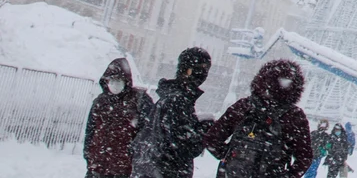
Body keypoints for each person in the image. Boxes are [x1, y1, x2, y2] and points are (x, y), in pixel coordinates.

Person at [205, 59, 314, 178]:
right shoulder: (294, 116)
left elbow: (212, 139)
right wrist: (288, 175)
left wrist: (229, 155)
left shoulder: (243, 106)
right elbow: (304, 157)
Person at [132, 47, 213, 178]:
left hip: (153, 171)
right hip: (166, 172)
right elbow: (186, 147)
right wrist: (205, 128)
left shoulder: (169, 97)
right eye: (200, 68)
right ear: (187, 70)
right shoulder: (179, 101)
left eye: (206, 69)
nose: (203, 74)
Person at [84, 58, 152, 178]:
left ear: (126, 81)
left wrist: (135, 160)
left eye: (119, 80)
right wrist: (89, 156)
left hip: (123, 170)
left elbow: (145, 134)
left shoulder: (139, 102)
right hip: (97, 167)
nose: (115, 84)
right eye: (112, 80)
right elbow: (90, 131)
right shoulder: (100, 102)